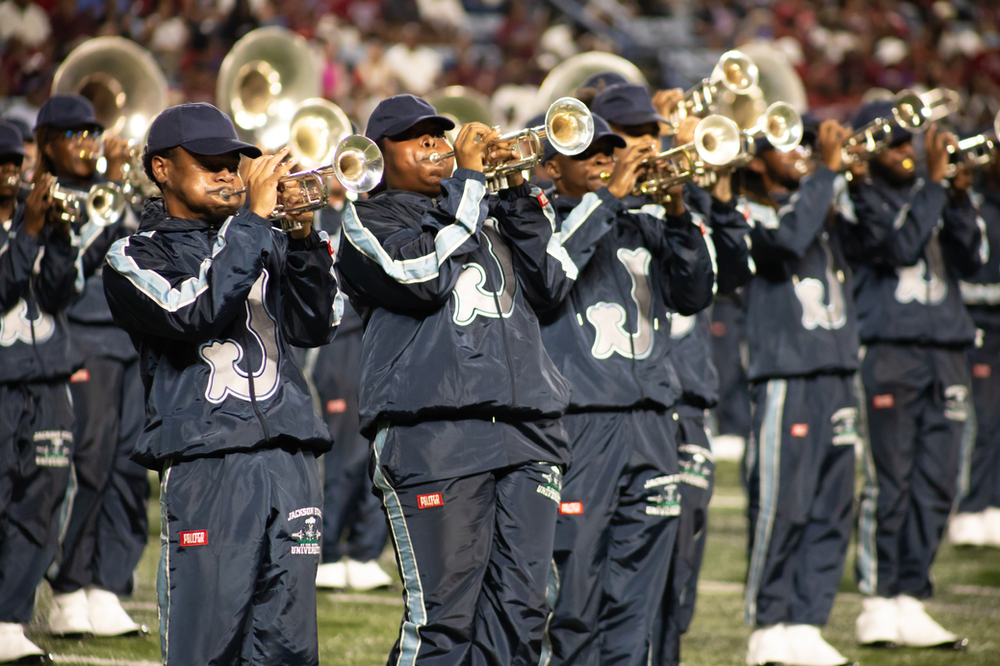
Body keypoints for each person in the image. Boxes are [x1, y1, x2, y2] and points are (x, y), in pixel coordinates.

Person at [336, 94, 575, 666]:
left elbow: (555, 286)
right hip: (434, 434)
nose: (436, 146)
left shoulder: (485, 209)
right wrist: (467, 182)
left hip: (527, 431)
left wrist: (516, 195)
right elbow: (420, 278)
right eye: (416, 138)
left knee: (521, 614)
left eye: (439, 136)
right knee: (444, 620)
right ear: (378, 155)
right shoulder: (368, 220)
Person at [102, 102, 341, 665]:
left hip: (290, 456)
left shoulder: (261, 239)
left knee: (288, 647)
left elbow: (317, 325)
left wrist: (303, 240)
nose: (228, 174)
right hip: (209, 460)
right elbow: (194, 313)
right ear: (162, 169)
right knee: (207, 645)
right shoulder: (134, 255)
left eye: (233, 163)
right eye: (209, 162)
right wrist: (254, 224)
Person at [537, 109, 716, 666]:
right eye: (586, 151)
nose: (601, 159)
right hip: (584, 423)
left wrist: (680, 210)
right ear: (549, 168)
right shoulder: (539, 220)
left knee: (637, 594)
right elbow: (548, 280)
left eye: (608, 150)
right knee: (575, 592)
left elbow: (695, 291)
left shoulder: (644, 221)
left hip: (653, 421)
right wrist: (609, 198)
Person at [588, 82, 753, 666]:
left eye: (655, 136)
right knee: (590, 578)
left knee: (674, 564)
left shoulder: (673, 204)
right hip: (605, 406)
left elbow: (724, 276)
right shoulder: (587, 205)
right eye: (638, 137)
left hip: (677, 401)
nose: (651, 148)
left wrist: (715, 190)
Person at [846, 100, 981, 650]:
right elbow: (899, 247)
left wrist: (957, 194)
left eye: (912, 143)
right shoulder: (857, 198)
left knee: (938, 482)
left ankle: (911, 596)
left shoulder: (934, 193)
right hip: (890, 350)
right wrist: (931, 183)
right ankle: (878, 601)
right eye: (897, 145)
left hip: (946, 348)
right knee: (891, 480)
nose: (907, 152)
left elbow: (973, 259)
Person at [736, 118, 861, 666]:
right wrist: (827, 175)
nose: (805, 151)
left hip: (837, 370)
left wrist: (850, 181)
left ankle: (807, 621)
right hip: (787, 373)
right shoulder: (747, 210)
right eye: (788, 144)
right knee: (782, 503)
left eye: (808, 144)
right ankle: (769, 624)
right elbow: (784, 243)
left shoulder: (823, 200)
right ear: (758, 159)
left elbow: (885, 243)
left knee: (834, 507)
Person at [31, 94, 150, 640]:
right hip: (83, 339)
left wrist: (127, 181)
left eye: (92, 132)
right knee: (90, 464)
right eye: (74, 135)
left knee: (128, 468)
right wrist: (112, 193)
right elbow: (68, 272)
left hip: (127, 341)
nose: (87, 143)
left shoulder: (110, 191)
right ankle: (68, 585)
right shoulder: (48, 198)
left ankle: (108, 583)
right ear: (49, 144)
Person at [0, 120, 80, 664]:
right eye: (1, 166)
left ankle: (9, 620)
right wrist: (27, 231)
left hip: (47, 379)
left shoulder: (34, 218)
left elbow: (57, 293)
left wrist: (56, 236)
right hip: (2, 384)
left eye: (15, 164)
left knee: (41, 503)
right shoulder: (17, 225)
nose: (11, 174)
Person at [310, 184, 391, 592]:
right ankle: (327, 549)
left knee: (373, 453)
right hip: (336, 344)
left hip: (371, 338)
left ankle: (364, 549)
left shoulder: (369, 211)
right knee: (340, 454)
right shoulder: (316, 216)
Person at [951, 147, 1000, 547]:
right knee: (980, 419)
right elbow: (969, 265)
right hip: (979, 321)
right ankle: (969, 506)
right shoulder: (976, 203)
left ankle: (994, 503)